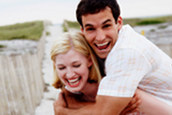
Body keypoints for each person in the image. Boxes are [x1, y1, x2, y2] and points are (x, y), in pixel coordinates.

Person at [54, 0, 172, 114]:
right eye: (91, 28)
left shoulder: (126, 52)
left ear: (119, 23)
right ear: (83, 31)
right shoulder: (97, 49)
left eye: (106, 26)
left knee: (130, 94)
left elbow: (104, 112)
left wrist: (63, 112)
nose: (100, 37)